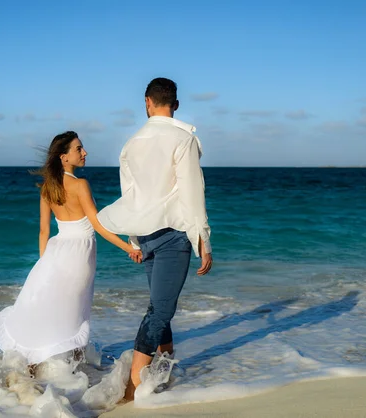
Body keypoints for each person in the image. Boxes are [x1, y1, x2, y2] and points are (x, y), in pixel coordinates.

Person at [96, 77, 213, 399]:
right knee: (161, 310)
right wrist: (203, 239)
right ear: (174, 104)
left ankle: (166, 364)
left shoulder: (131, 142)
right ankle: (135, 385)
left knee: (159, 305)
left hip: (145, 236)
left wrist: (134, 241)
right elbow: (193, 190)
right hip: (174, 235)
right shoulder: (183, 138)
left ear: (147, 102)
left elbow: (130, 196)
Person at [0, 131, 141, 372]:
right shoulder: (81, 185)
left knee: (51, 307)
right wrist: (128, 247)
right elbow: (97, 224)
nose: (85, 152)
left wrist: (44, 265)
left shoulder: (47, 188)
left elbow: (43, 231)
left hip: (56, 253)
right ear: (64, 157)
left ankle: (33, 368)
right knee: (77, 312)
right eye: (79, 149)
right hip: (79, 254)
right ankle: (78, 371)